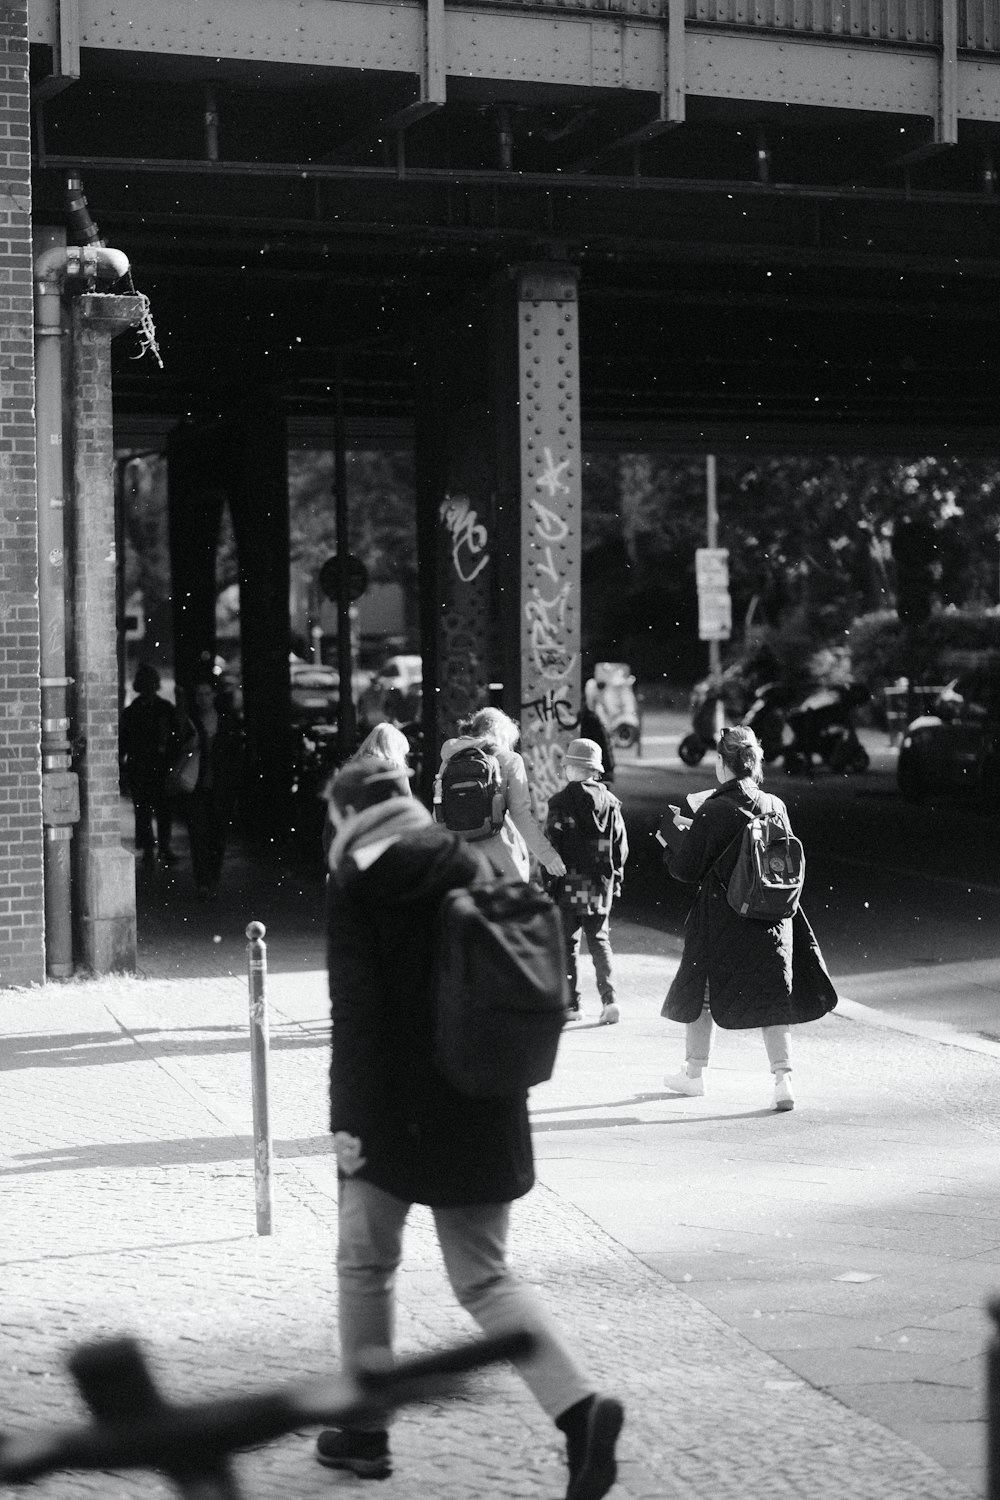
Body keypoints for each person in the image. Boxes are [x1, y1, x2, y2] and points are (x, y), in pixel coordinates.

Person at [318, 756, 624, 1498]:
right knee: (485, 1276)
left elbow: (357, 1020)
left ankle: (364, 1432)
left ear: (347, 815)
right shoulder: (470, 861)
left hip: (393, 1110)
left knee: (366, 1265)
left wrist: (347, 1125)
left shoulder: (359, 886)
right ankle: (580, 1413)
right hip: (481, 1096)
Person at [659, 725, 837, 1111]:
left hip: (723, 918)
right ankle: (783, 1080)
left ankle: (694, 1075)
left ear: (723, 763)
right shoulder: (776, 805)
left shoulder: (712, 808)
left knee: (703, 991)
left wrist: (671, 843)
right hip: (772, 918)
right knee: (775, 996)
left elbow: (687, 870)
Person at [545, 738, 628, 1025]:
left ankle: (572, 1005)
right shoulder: (610, 803)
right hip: (599, 882)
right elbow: (620, 846)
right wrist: (616, 878)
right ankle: (610, 1000)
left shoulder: (561, 802)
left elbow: (552, 843)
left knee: (568, 943)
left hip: (570, 881)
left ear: (573, 770)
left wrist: (548, 882)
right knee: (600, 941)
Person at [435, 706, 566, 883]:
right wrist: (548, 856)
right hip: (501, 857)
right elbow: (521, 815)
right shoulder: (510, 760)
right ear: (500, 733)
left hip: (461, 858)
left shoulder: (450, 759)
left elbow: (438, 814)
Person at [174, 676, 242, 900]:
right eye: (198, 695)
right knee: (198, 833)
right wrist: (189, 745)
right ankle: (203, 880)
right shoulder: (189, 721)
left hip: (221, 787)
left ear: (214, 695)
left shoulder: (226, 721)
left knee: (218, 833)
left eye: (206, 694)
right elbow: (176, 749)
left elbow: (235, 755)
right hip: (198, 786)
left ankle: (213, 875)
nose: (202, 699)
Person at [120, 663, 176, 865]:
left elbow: (123, 742)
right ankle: (164, 847)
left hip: (139, 766)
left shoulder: (131, 711)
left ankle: (149, 849)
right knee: (163, 809)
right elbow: (175, 738)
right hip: (159, 765)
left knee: (143, 810)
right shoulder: (165, 709)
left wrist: (123, 767)